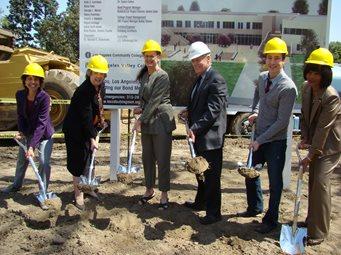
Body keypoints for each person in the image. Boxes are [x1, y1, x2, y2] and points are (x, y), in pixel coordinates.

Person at [237, 37, 297, 233]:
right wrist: (254, 111)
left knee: (275, 182)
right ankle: (254, 207)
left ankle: (271, 220)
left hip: (275, 142)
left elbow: (282, 123)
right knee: (251, 172)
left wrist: (260, 141)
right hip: (260, 136)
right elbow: (257, 97)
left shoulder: (288, 88)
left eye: (276, 58)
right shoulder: (263, 78)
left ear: (283, 60)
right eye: (269, 58)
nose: (272, 62)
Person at [178, 41, 228, 225]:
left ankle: (214, 213)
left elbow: (213, 110)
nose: (196, 63)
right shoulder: (200, 79)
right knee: (201, 172)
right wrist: (189, 111)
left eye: (199, 60)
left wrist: (195, 128)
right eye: (193, 61)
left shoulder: (216, 79)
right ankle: (201, 202)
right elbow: (200, 105)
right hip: (201, 135)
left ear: (208, 58)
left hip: (211, 137)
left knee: (212, 176)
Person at [299, 48, 341, 245]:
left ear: (326, 74)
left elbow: (324, 129)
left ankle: (319, 232)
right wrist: (305, 138)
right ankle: (310, 222)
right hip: (316, 140)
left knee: (321, 184)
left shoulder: (331, 96)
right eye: (310, 71)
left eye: (317, 73)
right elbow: (305, 118)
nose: (312, 76)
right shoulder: (306, 88)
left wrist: (311, 154)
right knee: (312, 184)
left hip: (330, 146)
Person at [2, 63, 54, 210]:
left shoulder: (44, 97)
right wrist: (22, 132)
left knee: (43, 162)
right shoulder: (20, 95)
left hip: (44, 134)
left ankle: (43, 191)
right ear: (24, 80)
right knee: (21, 160)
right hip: (28, 132)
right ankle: (16, 185)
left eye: (36, 79)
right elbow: (20, 115)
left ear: (40, 82)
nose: (33, 82)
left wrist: (32, 146)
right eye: (29, 78)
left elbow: (41, 123)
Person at [133, 39, 176, 210]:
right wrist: (140, 109)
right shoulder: (144, 75)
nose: (149, 59)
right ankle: (149, 189)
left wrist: (139, 119)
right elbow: (146, 100)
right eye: (146, 56)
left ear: (158, 57)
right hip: (148, 120)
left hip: (161, 122)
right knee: (147, 158)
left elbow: (155, 102)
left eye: (152, 56)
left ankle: (164, 194)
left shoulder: (162, 76)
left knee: (162, 159)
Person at [62, 55, 108, 210]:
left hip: (89, 128)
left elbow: (97, 109)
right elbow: (85, 116)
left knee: (90, 160)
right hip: (75, 130)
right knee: (78, 163)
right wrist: (91, 137)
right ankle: (78, 194)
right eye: (96, 73)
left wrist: (100, 125)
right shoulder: (84, 91)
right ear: (90, 72)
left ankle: (89, 189)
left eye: (101, 74)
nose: (99, 76)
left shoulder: (101, 87)